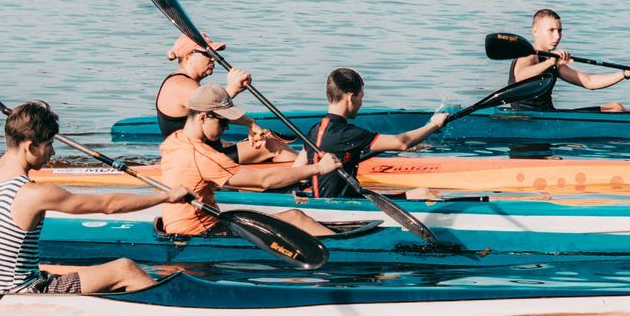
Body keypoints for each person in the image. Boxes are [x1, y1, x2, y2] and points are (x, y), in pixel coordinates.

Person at [0, 101, 196, 294]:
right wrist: (166, 196)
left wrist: (22, 122)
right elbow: (108, 205)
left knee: (87, 275)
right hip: (23, 294)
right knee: (125, 268)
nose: (53, 153)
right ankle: (173, 314)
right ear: (30, 146)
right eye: (49, 144)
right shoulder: (33, 194)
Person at [160, 84, 341, 238]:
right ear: (202, 117)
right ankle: (345, 247)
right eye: (223, 122)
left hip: (188, 225)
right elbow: (264, 180)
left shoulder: (174, 141)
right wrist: (318, 168)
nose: (227, 127)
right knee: (296, 217)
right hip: (201, 233)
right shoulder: (202, 155)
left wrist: (249, 123)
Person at [304, 68, 448, 198]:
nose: (361, 102)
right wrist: (434, 124)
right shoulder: (347, 134)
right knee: (423, 193)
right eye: (361, 96)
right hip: (344, 206)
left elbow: (298, 169)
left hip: (325, 199)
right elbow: (402, 143)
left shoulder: (314, 131)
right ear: (350, 98)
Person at [151, 35, 293, 164]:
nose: (213, 58)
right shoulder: (180, 85)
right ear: (188, 57)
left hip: (201, 152)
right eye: (208, 54)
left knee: (260, 141)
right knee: (273, 146)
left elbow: (213, 110)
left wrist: (250, 124)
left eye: (215, 54)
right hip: (195, 160)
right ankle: (311, 172)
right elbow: (212, 107)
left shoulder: (186, 82)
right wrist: (232, 89)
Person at [504, 9, 630, 112]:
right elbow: (521, 77)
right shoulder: (528, 55)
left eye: (559, 30)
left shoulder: (553, 61)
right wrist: (550, 63)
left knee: (616, 107)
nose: (557, 36)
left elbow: (589, 82)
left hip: (548, 115)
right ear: (535, 31)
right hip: (526, 118)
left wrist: (624, 74)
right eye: (551, 30)